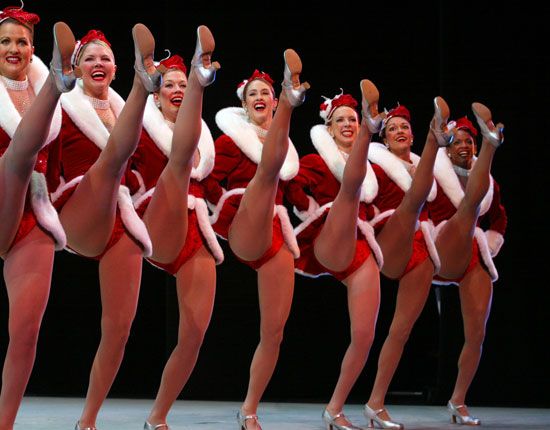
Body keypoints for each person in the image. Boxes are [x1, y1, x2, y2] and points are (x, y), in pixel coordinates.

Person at [47, 25, 160, 430]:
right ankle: (145, 82)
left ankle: (88, 420)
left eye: (105, 58)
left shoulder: (127, 115)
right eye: (89, 58)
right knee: (110, 162)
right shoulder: (63, 106)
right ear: (76, 68)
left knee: (119, 329)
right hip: (76, 206)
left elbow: (147, 170)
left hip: (120, 215)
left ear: (114, 69)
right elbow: (40, 151)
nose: (98, 63)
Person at [203, 51, 308, 430]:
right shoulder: (232, 141)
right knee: (266, 174)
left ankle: (249, 408)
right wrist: (224, 207)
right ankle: (293, 94)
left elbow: (296, 192)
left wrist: (310, 204)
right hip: (242, 220)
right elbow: (207, 178)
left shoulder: (289, 151)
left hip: (274, 230)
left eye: (266, 92)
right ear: (244, 104)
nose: (259, 97)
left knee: (274, 331)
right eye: (253, 94)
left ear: (273, 102)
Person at [128, 33, 222, 429]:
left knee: (195, 332)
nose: (176, 90)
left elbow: (218, 188)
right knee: (179, 161)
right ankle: (198, 72)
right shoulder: (142, 127)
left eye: (185, 84)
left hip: (195, 226)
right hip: (155, 214)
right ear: (156, 94)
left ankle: (158, 416)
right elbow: (120, 162)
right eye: (170, 84)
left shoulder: (205, 141)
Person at [286, 81, 384, 430]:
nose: (346, 124)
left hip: (359, 243)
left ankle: (335, 408)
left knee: (365, 335)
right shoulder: (317, 160)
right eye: (340, 120)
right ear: (329, 128)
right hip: (328, 237)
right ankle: (373, 124)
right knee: (349, 191)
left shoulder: (373, 171)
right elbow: (292, 184)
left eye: (353, 120)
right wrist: (308, 207)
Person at [0, 4, 76, 427]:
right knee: (15, 158)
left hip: (33, 209)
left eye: (22, 42)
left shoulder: (55, 117)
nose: (14, 48)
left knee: (26, 331)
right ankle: (58, 83)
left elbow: (58, 166)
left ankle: (4, 423)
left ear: (32, 50)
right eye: (5, 41)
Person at [364, 98, 453, 429]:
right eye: (392, 129)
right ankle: (435, 136)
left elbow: (444, 212)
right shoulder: (377, 166)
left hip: (419, 246)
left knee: (400, 331)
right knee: (412, 201)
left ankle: (375, 403)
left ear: (411, 136)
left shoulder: (429, 176)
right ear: (384, 139)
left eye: (404, 127)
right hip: (389, 238)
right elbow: (364, 199)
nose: (399, 131)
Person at [429, 108, 506, 425]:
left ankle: (458, 400)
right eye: (457, 142)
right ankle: (376, 399)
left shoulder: (489, 183)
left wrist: (492, 241)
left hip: (472, 252)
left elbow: (499, 218)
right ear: (447, 148)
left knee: (476, 333)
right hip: (440, 248)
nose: (463, 146)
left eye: (469, 142)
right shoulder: (435, 174)